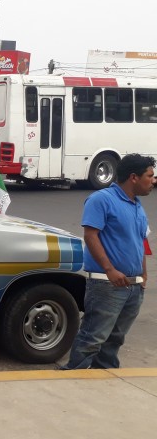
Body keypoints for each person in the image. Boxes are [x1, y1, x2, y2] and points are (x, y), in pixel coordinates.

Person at [62, 153, 155, 370]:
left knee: (115, 339)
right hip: (107, 284)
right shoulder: (102, 199)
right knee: (92, 337)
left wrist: (144, 276)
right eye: (150, 176)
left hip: (133, 285)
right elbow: (90, 236)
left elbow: (139, 242)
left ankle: (103, 377)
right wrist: (110, 270)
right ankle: (74, 378)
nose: (153, 181)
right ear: (134, 177)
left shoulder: (137, 206)